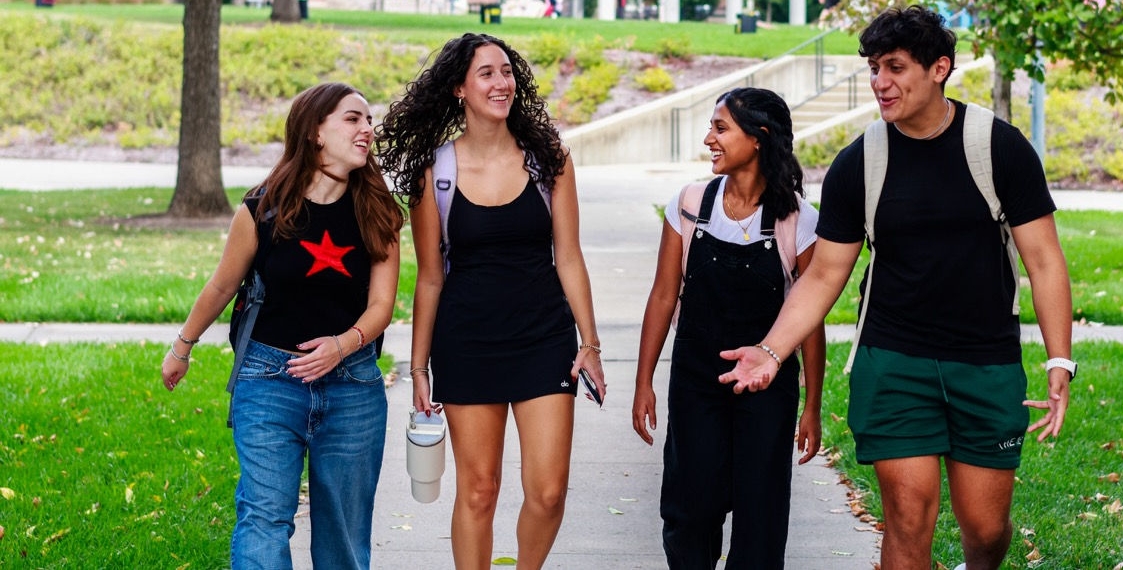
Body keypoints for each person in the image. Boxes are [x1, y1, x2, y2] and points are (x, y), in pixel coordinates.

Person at [717, 6, 1074, 570]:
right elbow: (827, 272)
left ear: (939, 68)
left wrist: (1060, 359)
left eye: (895, 67)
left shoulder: (998, 148)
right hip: (894, 360)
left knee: (984, 529)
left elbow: (1045, 261)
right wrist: (770, 349)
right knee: (908, 522)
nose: (880, 82)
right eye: (873, 68)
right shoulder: (860, 161)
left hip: (984, 360)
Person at [373, 33, 605, 570]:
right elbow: (429, 279)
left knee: (548, 491)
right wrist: (418, 366)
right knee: (479, 489)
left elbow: (569, 257)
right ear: (458, 88)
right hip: (467, 342)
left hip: (543, 338)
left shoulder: (550, 161)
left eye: (507, 72)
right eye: (486, 73)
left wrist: (589, 341)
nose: (502, 83)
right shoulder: (437, 174)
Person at [160, 82, 404, 569]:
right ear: (316, 131)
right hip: (269, 381)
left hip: (353, 385)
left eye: (369, 120)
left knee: (344, 531)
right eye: (353, 119)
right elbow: (220, 286)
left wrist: (342, 345)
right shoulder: (262, 208)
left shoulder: (378, 212)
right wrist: (182, 346)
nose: (367, 130)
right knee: (265, 516)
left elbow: (382, 306)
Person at [631, 87, 826, 569]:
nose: (708, 140)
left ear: (758, 138)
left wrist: (813, 407)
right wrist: (643, 383)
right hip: (696, 382)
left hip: (768, 389)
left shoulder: (798, 220)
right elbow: (662, 295)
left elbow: (811, 321)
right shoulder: (691, 203)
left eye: (720, 129)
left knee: (760, 519)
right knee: (689, 511)